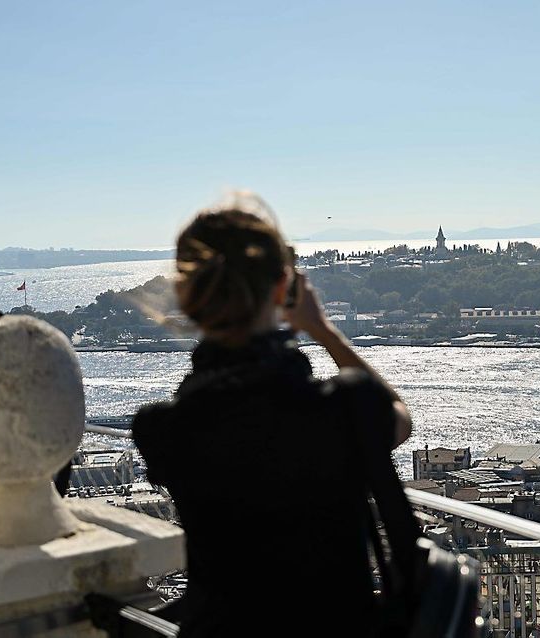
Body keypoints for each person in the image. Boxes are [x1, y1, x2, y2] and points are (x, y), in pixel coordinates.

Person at [131, 195, 412, 637]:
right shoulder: (342, 407)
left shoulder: (161, 430)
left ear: (186, 300)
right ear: (283, 289)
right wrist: (323, 330)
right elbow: (398, 419)